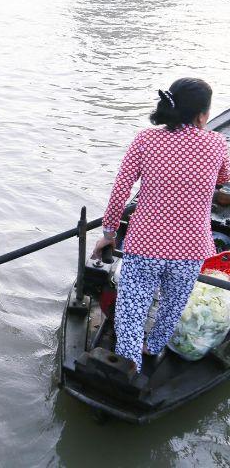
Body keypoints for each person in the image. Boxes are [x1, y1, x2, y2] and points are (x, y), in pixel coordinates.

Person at [93, 78, 230, 374]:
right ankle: (153, 348)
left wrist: (108, 234)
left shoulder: (145, 139)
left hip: (145, 245)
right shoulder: (217, 143)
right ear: (202, 116)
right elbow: (222, 179)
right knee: (171, 307)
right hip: (191, 250)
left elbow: (120, 191)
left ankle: (127, 366)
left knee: (131, 313)